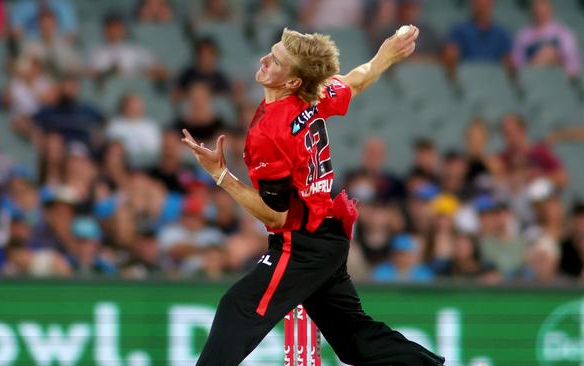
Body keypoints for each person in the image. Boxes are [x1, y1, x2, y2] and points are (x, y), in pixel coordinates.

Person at [181, 27, 445, 365]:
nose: (264, 60)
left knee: (239, 306)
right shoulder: (312, 95)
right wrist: (387, 54)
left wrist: (221, 175)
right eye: (271, 52)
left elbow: (274, 216)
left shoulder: (269, 132)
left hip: (301, 244)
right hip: (328, 234)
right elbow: (355, 80)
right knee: (352, 340)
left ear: (292, 81)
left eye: (275, 61)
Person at [512, 0, 581, 77]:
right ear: (531, 13)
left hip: (558, 75)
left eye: (543, 12)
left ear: (550, 12)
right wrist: (537, 60)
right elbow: (517, 62)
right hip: (531, 75)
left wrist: (552, 57)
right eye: (537, 12)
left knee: (549, 52)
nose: (540, 15)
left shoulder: (562, 33)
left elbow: (571, 59)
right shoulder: (523, 35)